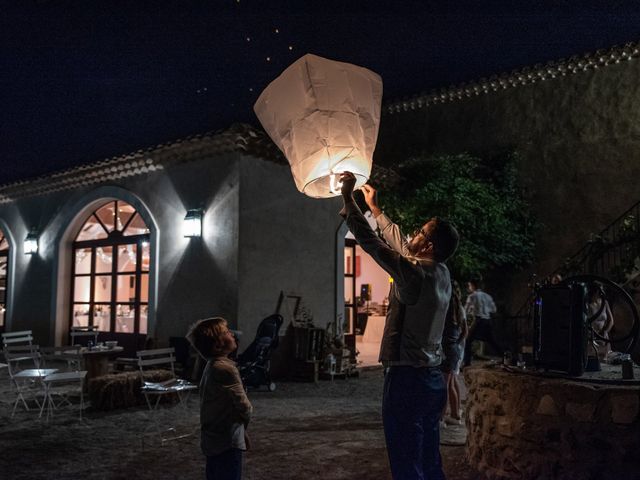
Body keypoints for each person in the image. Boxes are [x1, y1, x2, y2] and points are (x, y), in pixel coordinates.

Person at [339, 172, 459, 480]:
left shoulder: (414, 273)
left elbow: (372, 244)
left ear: (429, 245)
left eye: (420, 232)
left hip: (406, 378)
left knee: (405, 458)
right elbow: (401, 244)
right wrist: (375, 208)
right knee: (429, 456)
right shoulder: (443, 273)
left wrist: (348, 199)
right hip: (432, 378)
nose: (413, 235)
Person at [186, 317, 252, 480]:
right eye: (227, 332)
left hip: (213, 439)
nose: (232, 334)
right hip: (227, 440)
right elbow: (245, 407)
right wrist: (243, 429)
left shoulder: (211, 365)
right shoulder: (226, 369)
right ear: (217, 345)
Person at [440, 280, 468, 426]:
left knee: (444, 385)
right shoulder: (460, 308)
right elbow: (465, 331)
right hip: (454, 350)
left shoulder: (445, 308)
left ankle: (441, 418)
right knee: (451, 383)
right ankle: (456, 415)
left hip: (447, 349)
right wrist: (457, 344)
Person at [463, 279, 500, 367]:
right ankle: (505, 356)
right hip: (487, 320)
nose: (469, 288)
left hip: (478, 320)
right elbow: (494, 309)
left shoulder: (472, 296)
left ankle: (467, 363)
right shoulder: (488, 296)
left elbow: (465, 310)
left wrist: (471, 310)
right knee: (492, 341)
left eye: (469, 286)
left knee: (467, 340)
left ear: (473, 286)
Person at [586, 282, 614, 360]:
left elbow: (611, 320)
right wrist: (592, 334)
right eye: (599, 290)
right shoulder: (587, 304)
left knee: (605, 360)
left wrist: (605, 331)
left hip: (603, 338)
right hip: (591, 338)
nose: (601, 292)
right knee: (593, 359)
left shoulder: (605, 303)